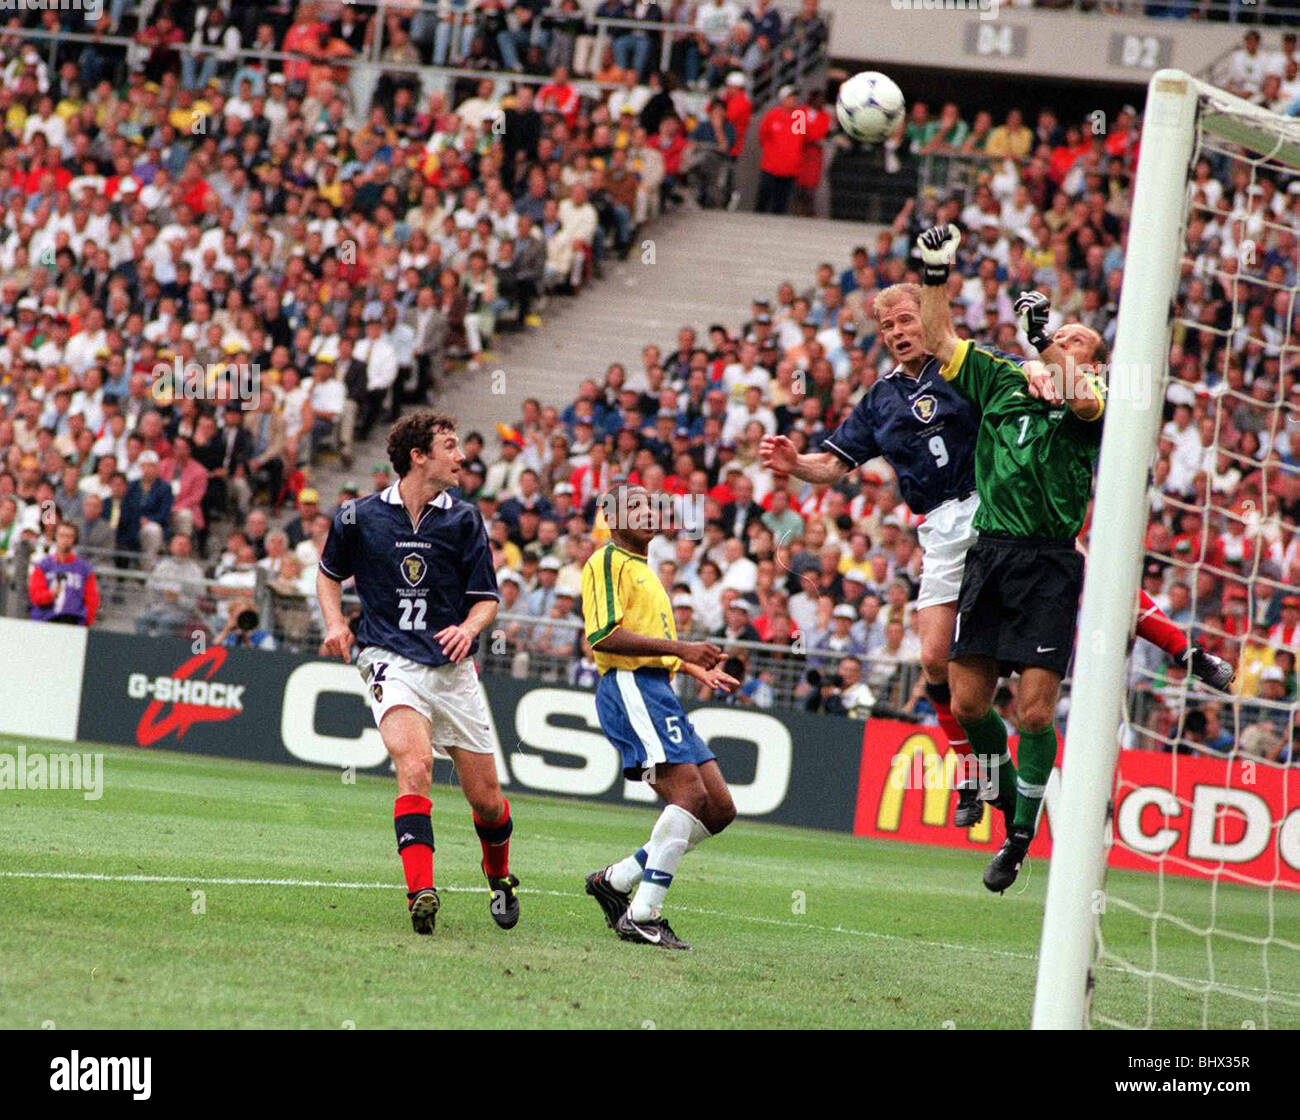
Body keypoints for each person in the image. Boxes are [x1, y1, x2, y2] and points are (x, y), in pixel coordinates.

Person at [916, 221, 1104, 893]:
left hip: (1049, 563)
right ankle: (1003, 798)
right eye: (1062, 333)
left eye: (1079, 339)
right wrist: (936, 272)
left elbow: (1080, 395)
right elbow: (939, 341)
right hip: (990, 556)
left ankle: (1021, 840)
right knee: (968, 706)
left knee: (1033, 714)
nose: (1066, 340)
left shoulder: (1095, 401)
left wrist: (1048, 349)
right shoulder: (999, 383)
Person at [316, 411, 516, 936]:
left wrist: (469, 630)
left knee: (488, 803)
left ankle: (498, 877)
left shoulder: (465, 519)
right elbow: (328, 574)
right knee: (416, 763)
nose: (462, 456)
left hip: (452, 671)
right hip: (388, 658)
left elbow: (486, 601)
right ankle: (420, 891)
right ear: (418, 456)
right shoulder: (357, 517)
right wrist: (336, 621)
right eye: (450, 446)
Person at [582, 483, 739, 950]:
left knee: (719, 808)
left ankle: (617, 880)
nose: (647, 512)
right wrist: (681, 648)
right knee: (687, 793)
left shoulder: (643, 569)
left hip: (658, 689)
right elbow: (604, 635)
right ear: (611, 517)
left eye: (650, 505)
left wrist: (690, 665)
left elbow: (648, 638)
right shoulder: (606, 561)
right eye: (634, 506)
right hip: (631, 688)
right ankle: (644, 913)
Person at [28, 520, 99, 626]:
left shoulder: (84, 569)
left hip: (73, 621)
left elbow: (92, 600)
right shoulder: (43, 566)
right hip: (44, 620)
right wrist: (50, 594)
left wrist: (86, 621)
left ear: (75, 539)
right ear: (55, 537)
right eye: (62, 535)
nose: (65, 540)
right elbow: (35, 596)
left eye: (69, 536)